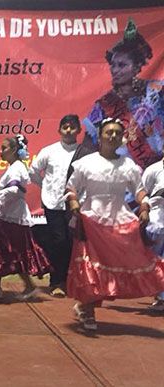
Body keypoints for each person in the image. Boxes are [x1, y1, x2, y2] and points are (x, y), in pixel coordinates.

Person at [66, 118, 164, 331]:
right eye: (108, 132)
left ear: (122, 138)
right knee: (90, 267)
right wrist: (74, 205)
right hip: (91, 219)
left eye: (117, 133)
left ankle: (84, 306)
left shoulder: (128, 165)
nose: (113, 136)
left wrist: (145, 207)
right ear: (100, 136)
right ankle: (88, 311)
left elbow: (140, 191)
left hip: (120, 220)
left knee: (127, 262)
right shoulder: (85, 163)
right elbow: (71, 188)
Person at [0, 135, 51, 301]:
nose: (1, 151)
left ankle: (27, 285)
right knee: (1, 250)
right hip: (6, 216)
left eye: (4, 148)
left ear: (15, 150)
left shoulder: (17, 168)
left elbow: (14, 191)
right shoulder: (14, 167)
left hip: (11, 218)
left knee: (12, 251)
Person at [83, 19, 163, 170]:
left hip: (157, 172)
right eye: (113, 65)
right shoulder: (104, 104)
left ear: (136, 67)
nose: (115, 70)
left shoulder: (156, 92)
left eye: (122, 65)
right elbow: (88, 146)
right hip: (120, 175)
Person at [29, 114, 81, 297]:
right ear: (59, 130)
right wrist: (46, 186)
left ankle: (70, 280)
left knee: (72, 242)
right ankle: (57, 281)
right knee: (58, 241)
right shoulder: (49, 151)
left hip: (75, 205)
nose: (68, 130)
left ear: (79, 130)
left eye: (72, 127)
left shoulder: (85, 152)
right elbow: (33, 171)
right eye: (65, 127)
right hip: (53, 203)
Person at [139, 153, 164, 312]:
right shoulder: (153, 170)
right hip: (156, 221)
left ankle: (162, 297)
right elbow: (142, 193)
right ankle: (158, 295)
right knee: (155, 261)